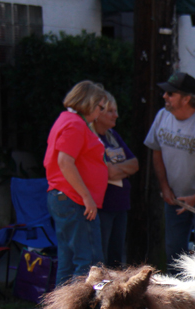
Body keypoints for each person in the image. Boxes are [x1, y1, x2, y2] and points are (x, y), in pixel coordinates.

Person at [144, 72, 195, 268]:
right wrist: (164, 187)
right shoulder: (163, 116)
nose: (164, 96)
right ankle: (176, 295)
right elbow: (155, 151)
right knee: (174, 248)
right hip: (175, 196)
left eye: (170, 93)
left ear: (186, 98)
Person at [43, 80, 109, 285]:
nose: (100, 113)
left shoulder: (67, 120)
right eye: (100, 107)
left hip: (64, 198)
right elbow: (65, 161)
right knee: (89, 264)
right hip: (73, 200)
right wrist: (87, 197)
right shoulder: (74, 124)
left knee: (68, 263)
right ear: (89, 102)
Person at [92, 91, 138, 267]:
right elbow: (107, 173)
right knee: (100, 259)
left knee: (117, 259)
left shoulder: (113, 135)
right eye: (110, 111)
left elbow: (134, 164)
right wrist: (120, 170)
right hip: (103, 205)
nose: (116, 115)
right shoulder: (92, 137)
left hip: (121, 204)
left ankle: (117, 294)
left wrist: (115, 169)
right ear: (98, 113)